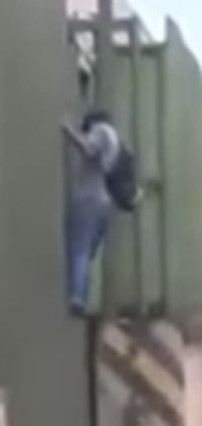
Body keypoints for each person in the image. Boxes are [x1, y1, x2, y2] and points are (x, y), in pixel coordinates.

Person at [61, 109, 121, 315]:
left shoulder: (101, 131)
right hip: (104, 202)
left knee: (79, 250)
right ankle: (82, 294)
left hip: (88, 199)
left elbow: (87, 148)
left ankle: (77, 297)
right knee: (86, 253)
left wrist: (68, 131)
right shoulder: (114, 139)